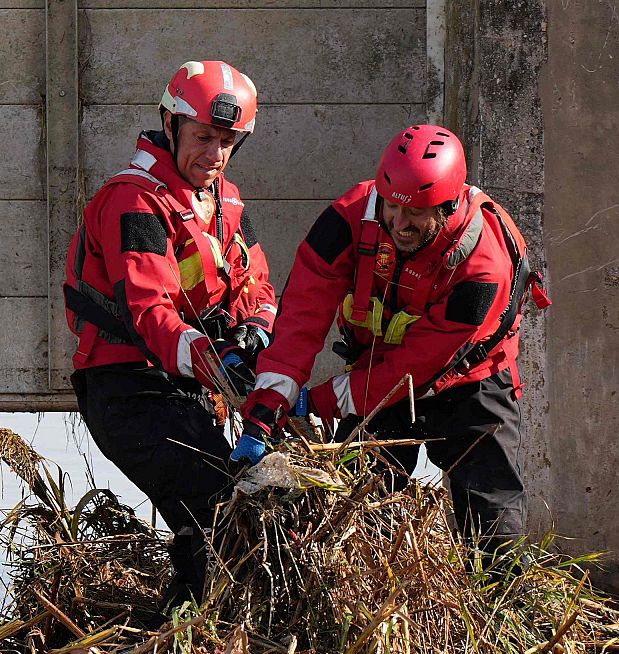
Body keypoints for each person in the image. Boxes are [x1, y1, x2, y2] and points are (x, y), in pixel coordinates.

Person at [231, 124, 549, 552]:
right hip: (375, 366)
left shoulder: (482, 263)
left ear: (449, 205)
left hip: (470, 382)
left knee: (492, 519)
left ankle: (504, 607)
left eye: (416, 213)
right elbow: (303, 311)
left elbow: (418, 364)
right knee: (354, 508)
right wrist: (273, 396)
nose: (399, 224)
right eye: (392, 207)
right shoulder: (349, 218)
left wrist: (322, 401)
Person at [65, 60, 277, 605]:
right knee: (216, 498)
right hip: (127, 389)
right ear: (170, 124)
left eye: (228, 141)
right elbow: (149, 311)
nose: (215, 154)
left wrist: (253, 331)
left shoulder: (225, 202)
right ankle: (201, 629)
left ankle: (190, 627)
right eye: (203, 137)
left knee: (204, 516)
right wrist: (215, 361)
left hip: (185, 386)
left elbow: (255, 283)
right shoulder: (133, 200)